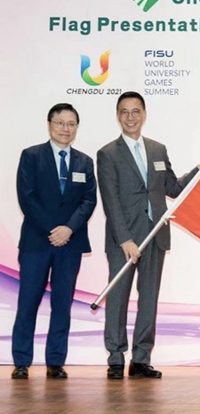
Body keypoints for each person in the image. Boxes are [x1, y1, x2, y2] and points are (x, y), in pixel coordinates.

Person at [97, 91, 200, 380]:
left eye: (136, 111)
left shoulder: (158, 150)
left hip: (155, 236)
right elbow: (110, 200)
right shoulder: (107, 153)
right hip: (123, 240)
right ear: (117, 116)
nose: (130, 117)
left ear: (144, 115)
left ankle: (141, 359)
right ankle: (116, 358)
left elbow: (172, 188)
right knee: (118, 299)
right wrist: (125, 239)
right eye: (124, 112)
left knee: (148, 300)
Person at [11, 103, 97, 380]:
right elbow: (27, 197)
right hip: (37, 242)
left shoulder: (85, 162)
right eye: (60, 123)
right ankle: (22, 361)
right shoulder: (32, 156)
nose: (65, 129)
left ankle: (55, 362)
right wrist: (53, 229)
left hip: (69, 245)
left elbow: (88, 200)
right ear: (50, 124)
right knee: (28, 302)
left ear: (76, 128)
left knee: (62, 303)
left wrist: (68, 229)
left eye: (71, 124)